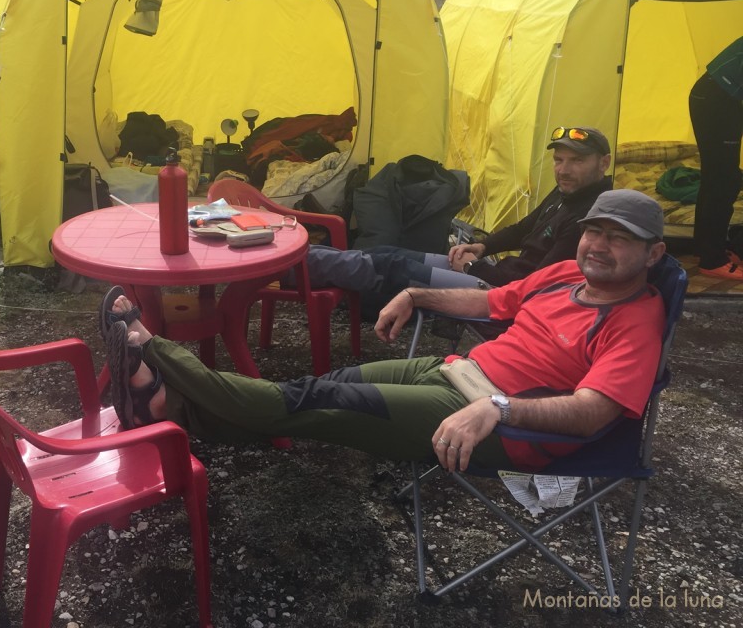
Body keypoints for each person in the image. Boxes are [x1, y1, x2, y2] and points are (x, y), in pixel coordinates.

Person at [100, 189, 667, 473]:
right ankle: (172, 409)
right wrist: (417, 293)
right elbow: (492, 299)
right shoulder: (565, 273)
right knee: (323, 383)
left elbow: (594, 411)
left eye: (619, 239)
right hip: (457, 373)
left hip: (493, 421)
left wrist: (500, 408)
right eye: (595, 232)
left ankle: (158, 353)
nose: (599, 246)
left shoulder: (637, 318)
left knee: (311, 401)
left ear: (654, 254)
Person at [296, 127, 614, 313]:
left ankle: (293, 267)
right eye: (559, 160)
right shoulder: (567, 193)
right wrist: (480, 247)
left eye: (577, 161)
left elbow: (540, 285)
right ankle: (300, 265)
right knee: (385, 253)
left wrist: (474, 268)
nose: (564, 169)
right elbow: (522, 229)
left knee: (392, 267)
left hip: (501, 292)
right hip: (490, 273)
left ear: (604, 163)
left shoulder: (592, 218)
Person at [688, 35, 743, 281]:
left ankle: (707, 248)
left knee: (718, 177)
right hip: (717, 99)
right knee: (724, 179)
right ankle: (712, 260)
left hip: (717, 96)